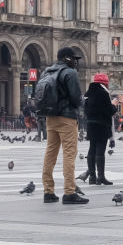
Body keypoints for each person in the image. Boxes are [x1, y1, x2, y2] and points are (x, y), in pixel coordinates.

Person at [40, 47, 87, 204]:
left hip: (50, 117)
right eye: (73, 58)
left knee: (50, 153)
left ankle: (48, 191)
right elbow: (75, 98)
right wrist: (81, 102)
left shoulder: (47, 71)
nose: (75, 61)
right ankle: (69, 192)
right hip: (67, 118)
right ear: (66, 58)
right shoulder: (70, 73)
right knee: (69, 154)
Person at [84, 73, 117, 185]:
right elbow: (109, 110)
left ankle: (92, 177)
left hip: (90, 124)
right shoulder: (104, 93)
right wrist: (113, 105)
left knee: (92, 148)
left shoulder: (88, 93)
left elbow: (85, 110)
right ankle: (101, 177)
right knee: (100, 150)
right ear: (105, 83)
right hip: (102, 125)